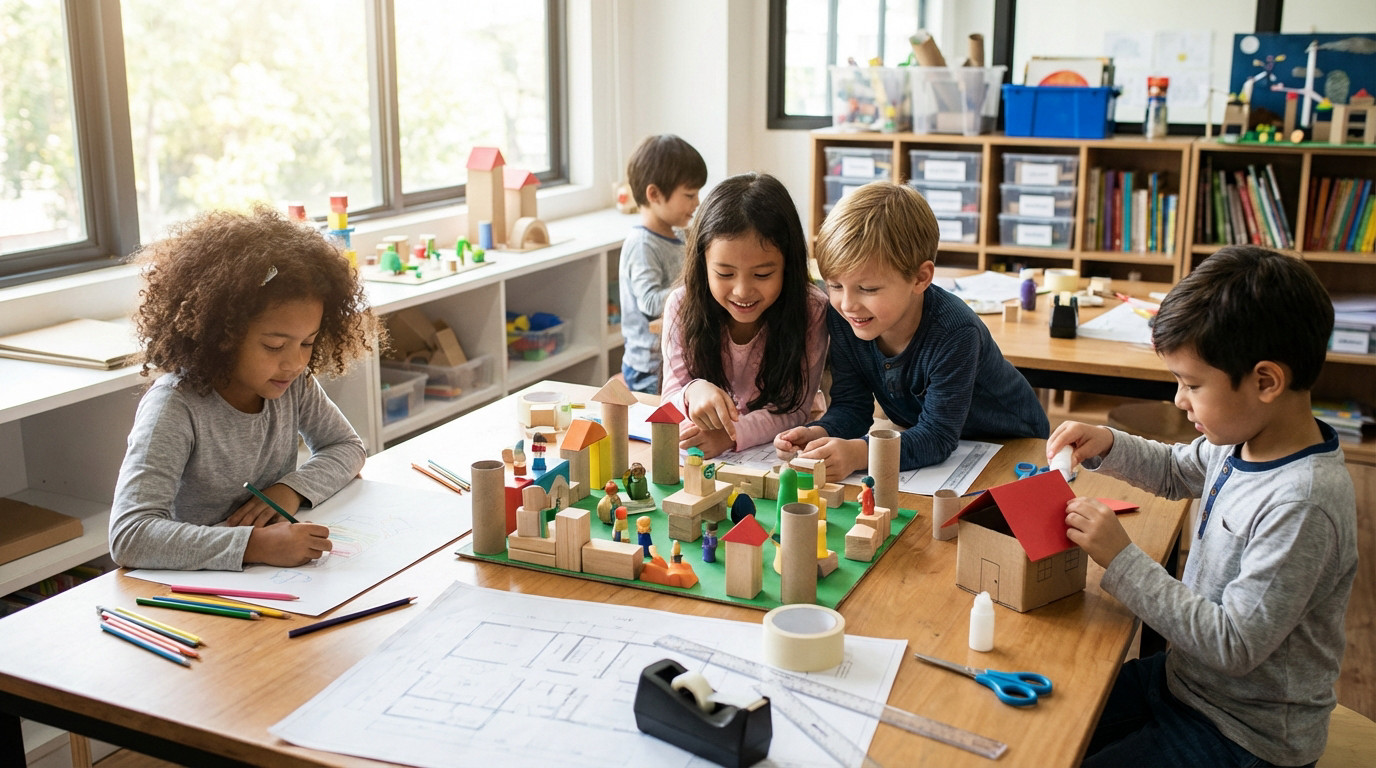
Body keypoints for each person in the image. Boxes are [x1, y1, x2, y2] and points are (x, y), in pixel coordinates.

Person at [1048, 246, 1357, 768]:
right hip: (1186, 682)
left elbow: (1235, 645)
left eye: (1192, 384)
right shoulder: (1240, 436)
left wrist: (1121, 559)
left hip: (1246, 733)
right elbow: (1176, 471)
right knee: (1053, 726)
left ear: (1265, 381)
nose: (1178, 400)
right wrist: (1107, 442)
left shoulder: (1302, 503)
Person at [109, 204, 380, 571]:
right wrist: (254, 545)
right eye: (273, 346)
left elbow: (347, 448)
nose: (295, 363)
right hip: (196, 591)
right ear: (223, 334)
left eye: (307, 342)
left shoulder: (292, 383)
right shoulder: (174, 407)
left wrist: (288, 491)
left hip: (267, 575)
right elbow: (130, 535)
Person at [775, 182, 1047, 479]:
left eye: (867, 288)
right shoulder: (843, 317)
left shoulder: (956, 332)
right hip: (948, 451)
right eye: (835, 285)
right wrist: (821, 433)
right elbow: (852, 407)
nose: (848, 303)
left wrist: (859, 453)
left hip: (1016, 445)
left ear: (920, 278)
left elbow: (937, 437)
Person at [661, 172, 828, 458]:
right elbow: (670, 397)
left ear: (787, 266)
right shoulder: (681, 304)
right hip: (710, 455)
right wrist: (692, 391)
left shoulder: (811, 309)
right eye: (724, 273)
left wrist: (730, 436)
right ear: (703, 263)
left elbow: (796, 409)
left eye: (763, 274)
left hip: (782, 454)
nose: (742, 291)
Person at [618, 134, 708, 394]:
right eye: (689, 195)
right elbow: (649, 303)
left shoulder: (680, 233)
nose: (697, 202)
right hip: (650, 368)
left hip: (675, 358)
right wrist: (694, 287)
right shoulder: (642, 244)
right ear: (654, 194)